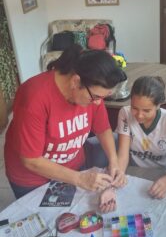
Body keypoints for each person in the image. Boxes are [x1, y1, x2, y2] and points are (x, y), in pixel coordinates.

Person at [4, 44, 127, 208]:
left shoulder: (92, 90)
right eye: (95, 97)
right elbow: (30, 160)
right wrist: (79, 179)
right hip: (32, 179)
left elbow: (103, 128)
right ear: (76, 81)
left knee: (77, 215)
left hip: (74, 166)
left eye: (103, 97)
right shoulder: (34, 97)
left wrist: (114, 161)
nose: (98, 103)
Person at [116, 76, 166, 199]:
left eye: (147, 111)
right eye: (134, 108)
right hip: (137, 174)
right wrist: (118, 176)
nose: (139, 116)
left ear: (158, 105)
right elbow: (123, 154)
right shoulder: (125, 113)